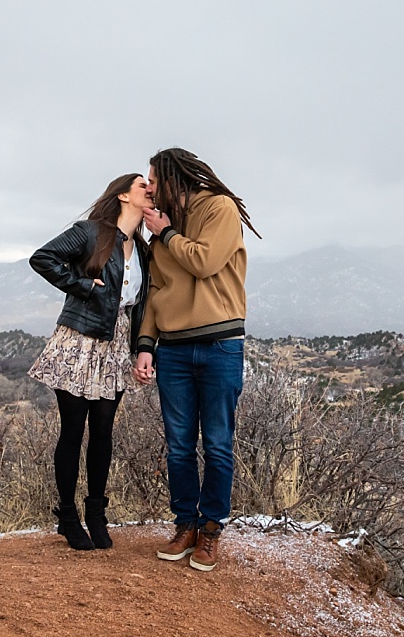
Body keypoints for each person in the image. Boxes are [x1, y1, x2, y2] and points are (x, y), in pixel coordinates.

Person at [133, 147, 260, 572]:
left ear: (173, 178)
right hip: (172, 349)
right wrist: (146, 344)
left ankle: (211, 531)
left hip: (220, 345)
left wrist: (167, 233)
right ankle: (185, 524)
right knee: (179, 447)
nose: (148, 188)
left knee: (219, 444)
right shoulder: (160, 233)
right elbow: (155, 292)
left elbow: (204, 262)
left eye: (153, 180)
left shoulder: (218, 209)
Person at [28, 173, 154, 551]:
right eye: (141, 186)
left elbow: (141, 305)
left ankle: (96, 514)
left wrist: (143, 350)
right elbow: (43, 258)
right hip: (78, 341)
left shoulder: (144, 251)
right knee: (73, 430)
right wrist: (82, 286)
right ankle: (67, 517)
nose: (149, 190)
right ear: (122, 196)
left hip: (114, 346)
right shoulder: (90, 232)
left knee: (103, 432)